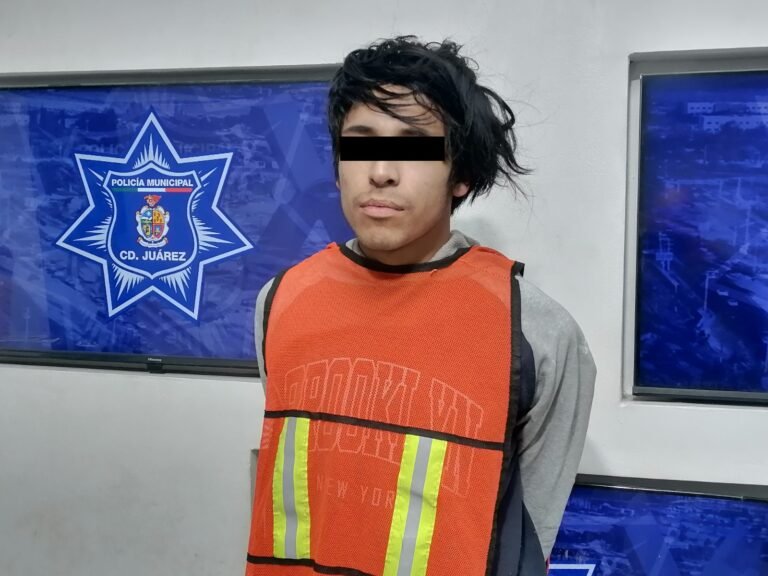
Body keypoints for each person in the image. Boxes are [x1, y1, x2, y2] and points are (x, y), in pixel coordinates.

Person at [245, 35, 596, 576]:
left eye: (414, 146)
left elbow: (529, 533)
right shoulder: (280, 300)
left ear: (462, 174)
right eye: (359, 144)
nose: (381, 170)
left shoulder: (537, 334)